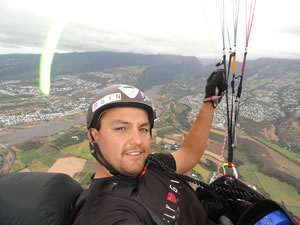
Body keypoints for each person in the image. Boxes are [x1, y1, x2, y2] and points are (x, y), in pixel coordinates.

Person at [72, 69, 227, 225]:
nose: (137, 140)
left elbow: (188, 154)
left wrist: (210, 102)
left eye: (143, 129)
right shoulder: (105, 214)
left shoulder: (151, 164)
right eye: (121, 128)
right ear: (93, 136)